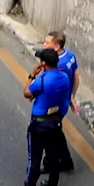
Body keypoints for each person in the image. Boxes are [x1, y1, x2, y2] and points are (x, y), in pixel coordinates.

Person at [9, 48, 73, 186]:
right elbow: (65, 102)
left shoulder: (42, 80)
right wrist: (58, 117)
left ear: (43, 64)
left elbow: (27, 93)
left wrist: (32, 75)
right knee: (53, 155)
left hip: (39, 124)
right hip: (55, 122)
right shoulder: (64, 78)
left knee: (35, 159)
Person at [40, 30, 78, 174]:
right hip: (64, 102)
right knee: (56, 132)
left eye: (47, 43)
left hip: (56, 105)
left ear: (56, 47)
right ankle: (66, 161)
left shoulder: (58, 64)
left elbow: (52, 87)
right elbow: (76, 75)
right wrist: (72, 96)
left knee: (48, 135)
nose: (44, 45)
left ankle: (52, 164)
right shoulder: (70, 56)